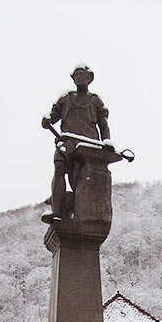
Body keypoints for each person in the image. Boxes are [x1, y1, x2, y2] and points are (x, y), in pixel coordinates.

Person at [41, 64, 110, 219]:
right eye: (76, 75)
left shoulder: (95, 101)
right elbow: (53, 115)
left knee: (79, 180)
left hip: (88, 146)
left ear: (89, 79)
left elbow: (103, 125)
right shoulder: (66, 98)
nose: (79, 78)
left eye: (83, 75)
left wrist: (107, 143)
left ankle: (78, 209)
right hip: (66, 141)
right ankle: (57, 211)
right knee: (59, 166)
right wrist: (48, 119)